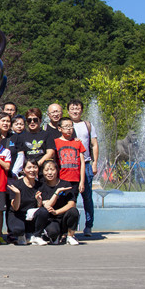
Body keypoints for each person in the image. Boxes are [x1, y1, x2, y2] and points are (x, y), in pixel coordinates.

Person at [67, 100, 99, 236]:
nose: (75, 111)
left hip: (85, 164)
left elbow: (94, 144)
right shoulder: (66, 125)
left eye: (78, 108)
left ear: (81, 110)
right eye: (72, 108)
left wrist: (95, 163)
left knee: (87, 197)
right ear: (68, 111)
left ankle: (88, 225)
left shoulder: (88, 125)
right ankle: (68, 228)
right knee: (69, 196)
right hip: (70, 165)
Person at [6, 159, 50, 245]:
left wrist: (39, 201)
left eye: (35, 167)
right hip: (17, 215)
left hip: (30, 216)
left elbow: (40, 209)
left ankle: (36, 236)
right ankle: (21, 235)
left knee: (44, 211)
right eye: (29, 167)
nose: (32, 170)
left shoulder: (41, 185)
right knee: (18, 230)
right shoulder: (16, 184)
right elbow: (15, 208)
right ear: (24, 169)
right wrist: (18, 194)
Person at [40, 160, 80, 245]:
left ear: (57, 170)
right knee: (53, 232)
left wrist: (57, 212)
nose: (49, 173)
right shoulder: (41, 186)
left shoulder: (66, 184)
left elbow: (72, 204)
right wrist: (57, 192)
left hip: (64, 216)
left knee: (74, 211)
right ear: (42, 172)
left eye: (52, 170)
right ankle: (54, 236)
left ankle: (70, 236)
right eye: (46, 170)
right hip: (51, 219)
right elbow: (47, 205)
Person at [54, 116, 86, 202]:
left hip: (74, 179)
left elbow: (82, 163)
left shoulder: (77, 143)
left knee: (72, 202)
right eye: (66, 126)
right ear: (60, 128)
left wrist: (82, 181)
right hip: (61, 179)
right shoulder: (55, 142)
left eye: (70, 126)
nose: (68, 129)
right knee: (60, 202)